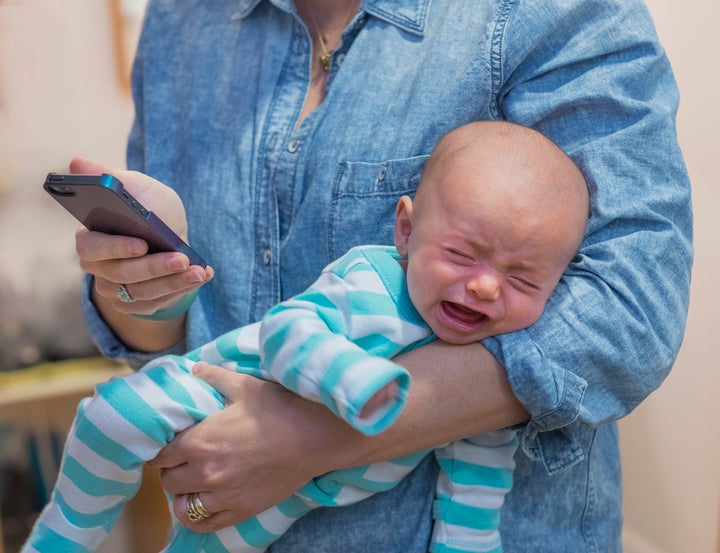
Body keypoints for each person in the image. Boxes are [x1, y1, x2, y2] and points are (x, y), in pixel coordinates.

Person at [62, 1, 692, 551]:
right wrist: (136, 288)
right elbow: (164, 334)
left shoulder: (543, 12)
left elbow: (632, 311)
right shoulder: (181, 19)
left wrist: (321, 435)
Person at [23, 121, 589, 553]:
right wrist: (354, 383)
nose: (486, 287)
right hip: (216, 388)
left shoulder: (493, 373)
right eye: (462, 254)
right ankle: (63, 536)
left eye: (523, 279)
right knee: (114, 416)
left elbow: (475, 498)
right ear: (407, 230)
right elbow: (286, 332)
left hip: (288, 500)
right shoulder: (374, 279)